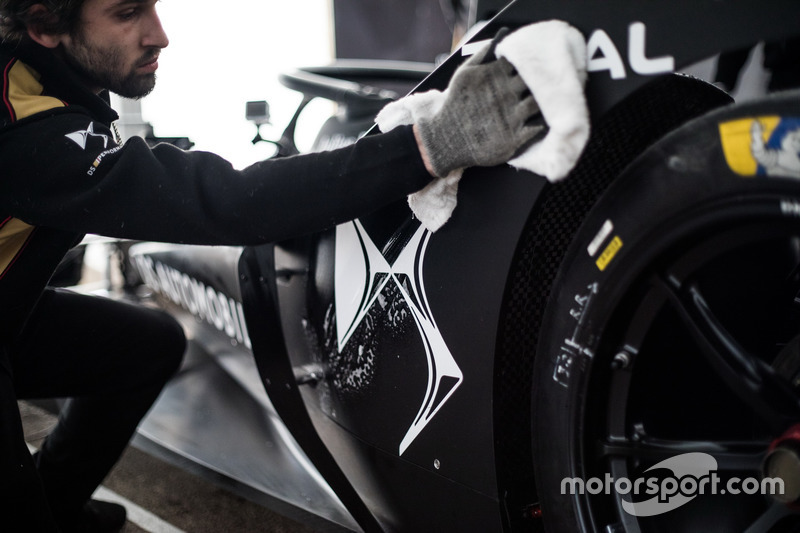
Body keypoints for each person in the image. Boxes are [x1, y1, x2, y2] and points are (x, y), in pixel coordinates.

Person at [0, 0, 542, 531]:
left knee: (144, 346)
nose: (158, 35)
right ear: (46, 25)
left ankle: (57, 502)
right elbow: (228, 205)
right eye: (126, 13)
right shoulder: (22, 127)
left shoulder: (35, 83)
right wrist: (427, 145)